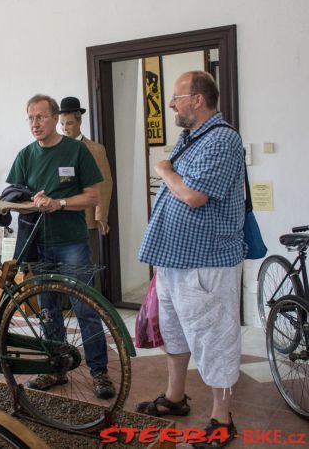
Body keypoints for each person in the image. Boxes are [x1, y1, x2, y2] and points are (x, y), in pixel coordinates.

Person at [137, 71, 245, 449]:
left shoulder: (223, 140)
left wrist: (165, 170)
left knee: (216, 341)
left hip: (207, 263)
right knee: (176, 335)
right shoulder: (191, 139)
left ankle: (221, 418)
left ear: (198, 100)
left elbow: (194, 195)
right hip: (175, 261)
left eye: (177, 97)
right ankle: (175, 397)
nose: (171, 104)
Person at [6, 94, 115, 399]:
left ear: (56, 118)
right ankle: (56, 368)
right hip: (38, 245)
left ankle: (100, 373)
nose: (35, 124)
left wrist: (59, 203)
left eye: (40, 117)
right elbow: (14, 200)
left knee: (85, 308)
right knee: (48, 311)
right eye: (30, 118)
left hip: (72, 243)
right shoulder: (25, 156)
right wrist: (29, 203)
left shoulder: (77, 151)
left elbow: (92, 196)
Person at [59, 96, 113, 292]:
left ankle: (92, 304)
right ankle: (66, 306)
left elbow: (104, 183)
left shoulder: (95, 150)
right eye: (62, 124)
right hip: (62, 216)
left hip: (86, 216)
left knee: (87, 262)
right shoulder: (57, 149)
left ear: (79, 121)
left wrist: (102, 216)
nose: (65, 128)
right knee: (63, 264)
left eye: (70, 123)